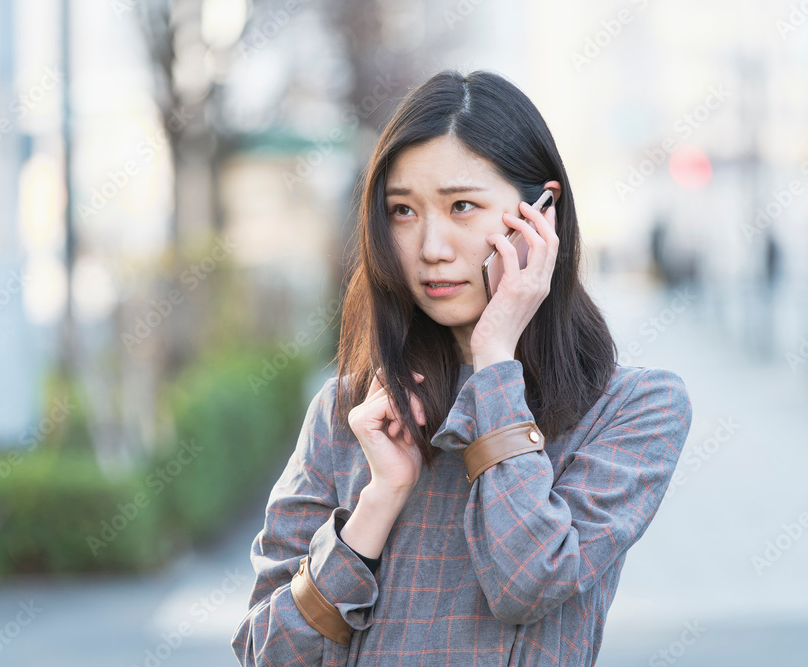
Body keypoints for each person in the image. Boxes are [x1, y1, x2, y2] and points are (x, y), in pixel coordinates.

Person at [232, 69, 693, 666]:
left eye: (463, 206)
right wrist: (377, 503)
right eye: (403, 210)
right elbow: (267, 655)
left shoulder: (634, 409)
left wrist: (494, 357)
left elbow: (527, 581)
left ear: (541, 215)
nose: (431, 247)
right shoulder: (350, 413)